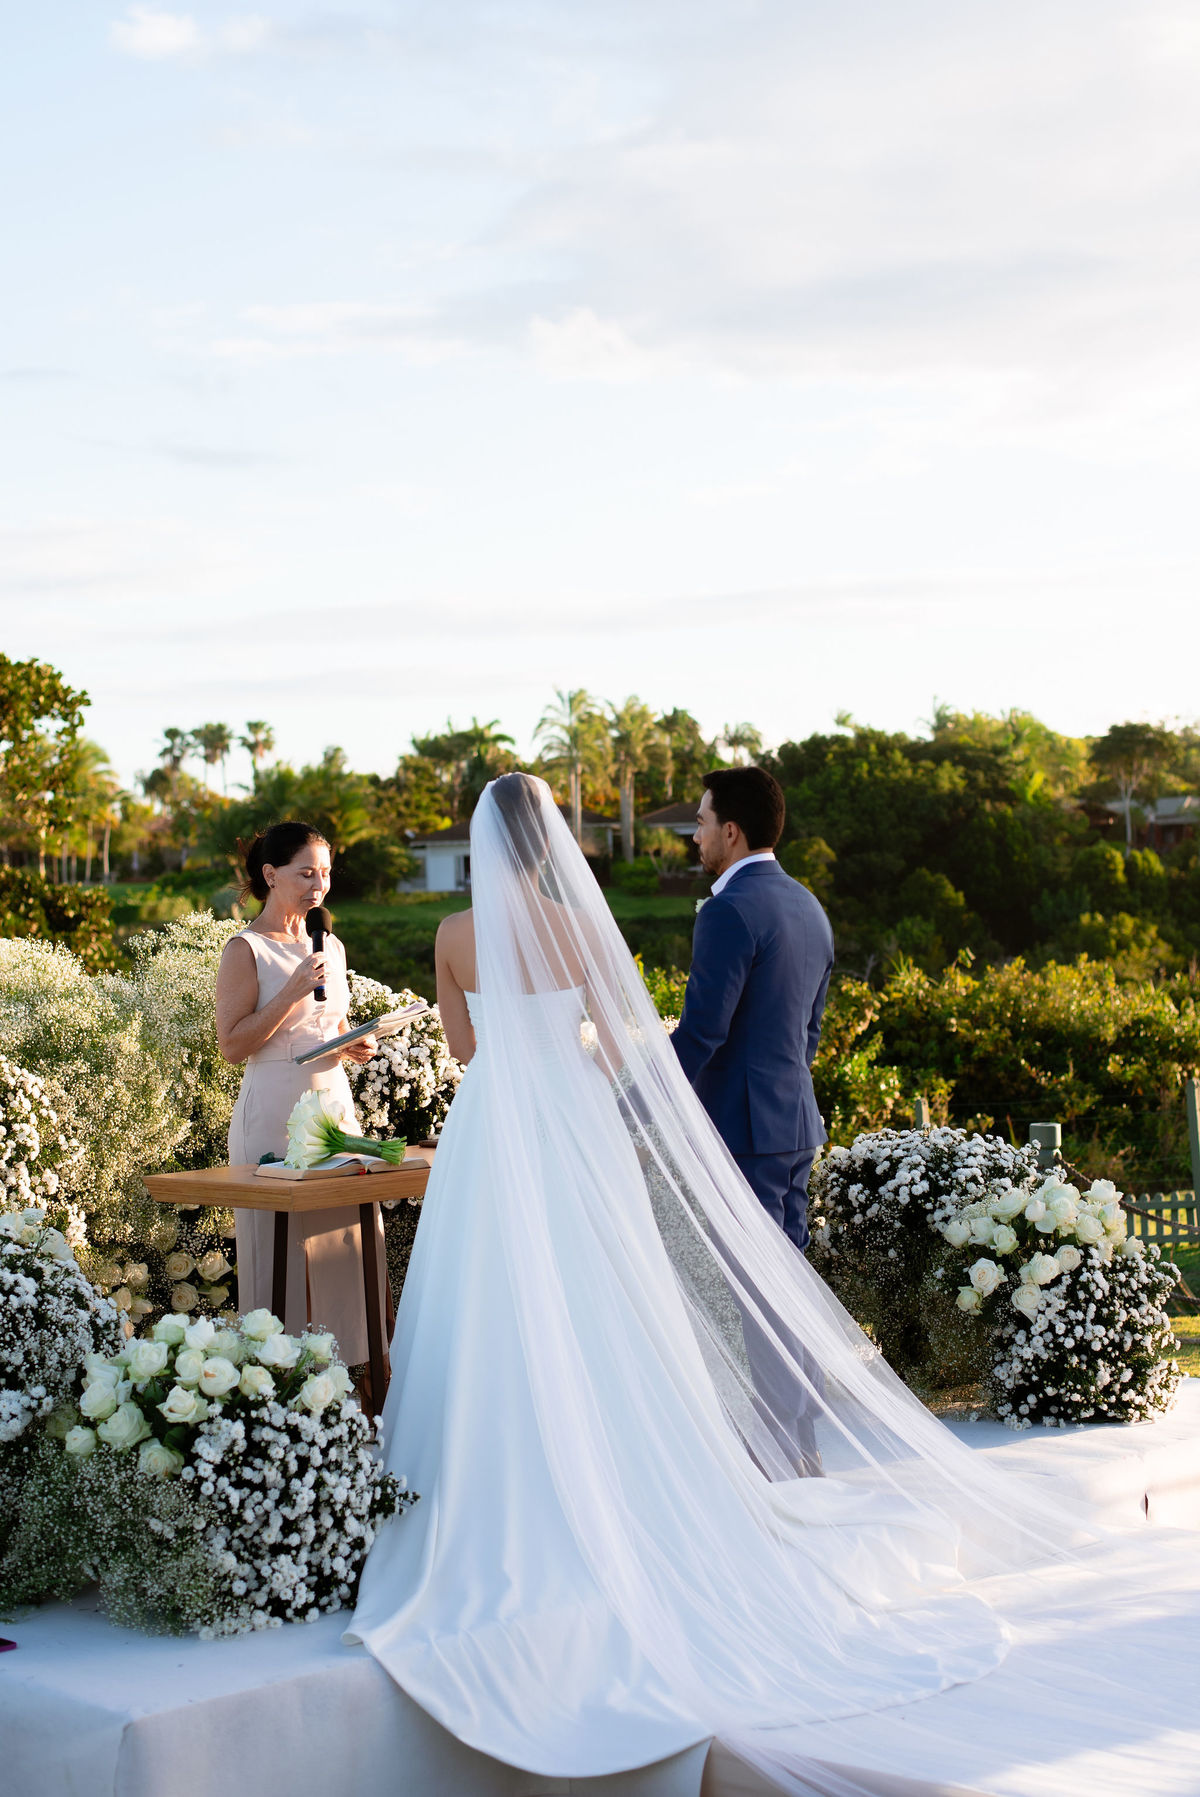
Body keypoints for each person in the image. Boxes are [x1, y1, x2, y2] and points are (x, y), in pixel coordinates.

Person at [347, 774, 1200, 1797]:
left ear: (482, 845)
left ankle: (491, 1474)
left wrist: (520, 1060)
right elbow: (623, 1041)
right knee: (608, 1304)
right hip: (578, 1119)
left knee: (485, 1300)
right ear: (551, 846)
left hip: (496, 1122)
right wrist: (591, 1082)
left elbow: (462, 1048)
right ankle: (644, 1472)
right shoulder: (585, 927)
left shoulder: (452, 933)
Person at [216, 821, 383, 1369]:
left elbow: (327, 1024)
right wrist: (290, 991)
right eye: (306, 873)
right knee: (277, 1255)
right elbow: (232, 1045)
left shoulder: (329, 943)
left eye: (326, 873)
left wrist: (353, 1043)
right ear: (271, 874)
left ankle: (351, 1383)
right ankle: (275, 1383)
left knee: (347, 1248)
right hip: (273, 1110)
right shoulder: (245, 949)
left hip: (333, 1106)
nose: (319, 885)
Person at [672, 767, 833, 1256]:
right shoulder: (810, 907)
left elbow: (702, 1032)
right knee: (790, 1276)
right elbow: (809, 1032)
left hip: (743, 1132)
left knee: (752, 1279)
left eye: (701, 822)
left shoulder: (727, 910)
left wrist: (636, 1097)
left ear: (730, 831)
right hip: (796, 1124)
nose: (696, 837)